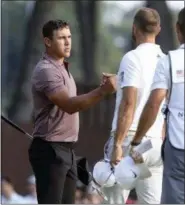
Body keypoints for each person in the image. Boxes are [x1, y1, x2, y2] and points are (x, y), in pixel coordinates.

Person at [29, 19, 116, 204]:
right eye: (61, 38)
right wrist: (102, 91)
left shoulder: (63, 69)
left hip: (66, 150)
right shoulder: (46, 70)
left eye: (69, 37)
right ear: (48, 41)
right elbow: (69, 105)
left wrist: (101, 90)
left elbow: (75, 102)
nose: (68, 42)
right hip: (50, 149)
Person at [103, 8, 166, 204]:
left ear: (134, 28)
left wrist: (117, 145)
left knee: (113, 200)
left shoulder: (132, 58)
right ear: (159, 29)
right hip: (155, 142)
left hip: (130, 138)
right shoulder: (165, 61)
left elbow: (129, 103)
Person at [131, 7, 185, 204]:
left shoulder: (169, 61)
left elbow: (154, 104)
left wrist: (137, 140)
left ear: (178, 29)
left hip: (178, 146)